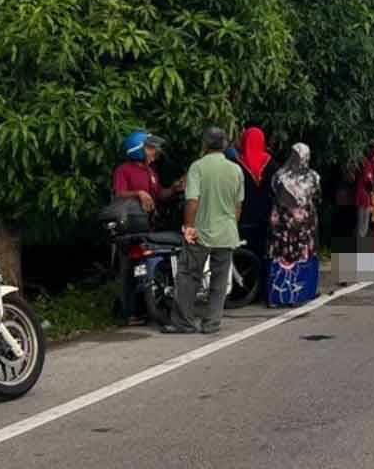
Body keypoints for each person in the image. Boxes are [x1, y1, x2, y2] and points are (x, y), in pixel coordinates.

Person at [163, 127, 244, 334]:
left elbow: (192, 201)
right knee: (219, 280)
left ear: (205, 145)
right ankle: (212, 323)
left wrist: (189, 227)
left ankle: (185, 322)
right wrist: (231, 226)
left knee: (188, 275)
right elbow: (238, 205)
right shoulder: (235, 169)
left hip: (202, 232)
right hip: (227, 232)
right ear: (225, 145)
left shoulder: (197, 167)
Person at [112, 131, 183, 325]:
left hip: (149, 227)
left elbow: (160, 195)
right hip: (129, 230)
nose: (154, 152)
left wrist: (175, 188)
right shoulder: (123, 170)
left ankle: (153, 306)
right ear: (137, 150)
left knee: (155, 265)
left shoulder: (151, 172)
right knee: (128, 270)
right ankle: (130, 313)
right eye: (150, 148)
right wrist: (139, 194)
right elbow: (119, 194)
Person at [267, 144, 322, 307]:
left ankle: (276, 296)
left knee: (279, 256)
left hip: (280, 223)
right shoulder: (313, 176)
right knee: (302, 255)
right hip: (303, 223)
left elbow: (273, 192)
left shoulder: (279, 175)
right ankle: (299, 295)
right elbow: (317, 195)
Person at [235, 127, 277, 262]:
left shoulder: (236, 164)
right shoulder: (271, 164)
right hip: (265, 217)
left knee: (242, 256)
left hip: (243, 217)